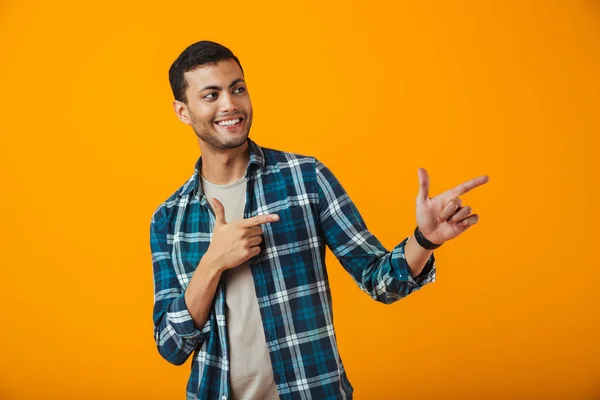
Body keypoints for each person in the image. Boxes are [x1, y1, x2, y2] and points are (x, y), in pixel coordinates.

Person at [150, 40, 489, 400]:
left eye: (237, 89)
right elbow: (172, 347)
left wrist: (424, 239)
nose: (229, 104)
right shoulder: (170, 218)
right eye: (211, 95)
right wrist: (212, 264)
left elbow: (380, 281)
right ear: (183, 111)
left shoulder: (306, 178)